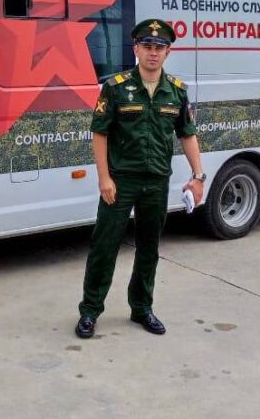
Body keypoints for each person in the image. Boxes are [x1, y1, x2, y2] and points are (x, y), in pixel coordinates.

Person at [75, 18, 205, 339]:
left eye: (160, 47)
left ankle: (142, 308)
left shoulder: (176, 91)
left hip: (156, 181)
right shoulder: (116, 87)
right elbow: (100, 133)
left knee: (149, 248)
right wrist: (104, 178)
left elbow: (187, 134)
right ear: (136, 49)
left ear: (168, 52)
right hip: (121, 181)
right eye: (147, 46)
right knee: (105, 246)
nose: (153, 52)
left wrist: (198, 176)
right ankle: (90, 311)